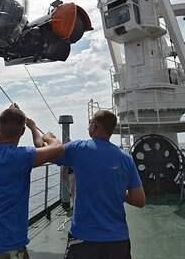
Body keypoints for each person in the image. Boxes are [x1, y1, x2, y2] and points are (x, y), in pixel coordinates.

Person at [0, 104, 64, 259]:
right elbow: (58, 147)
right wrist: (36, 129)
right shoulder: (22, 157)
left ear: (0, 127)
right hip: (9, 244)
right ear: (22, 132)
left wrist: (12, 113)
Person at [55, 110, 146, 259]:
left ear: (94, 126)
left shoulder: (79, 148)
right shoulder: (126, 158)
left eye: (90, 123)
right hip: (118, 241)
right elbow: (139, 200)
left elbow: (47, 152)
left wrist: (36, 130)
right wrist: (117, 191)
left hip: (84, 239)